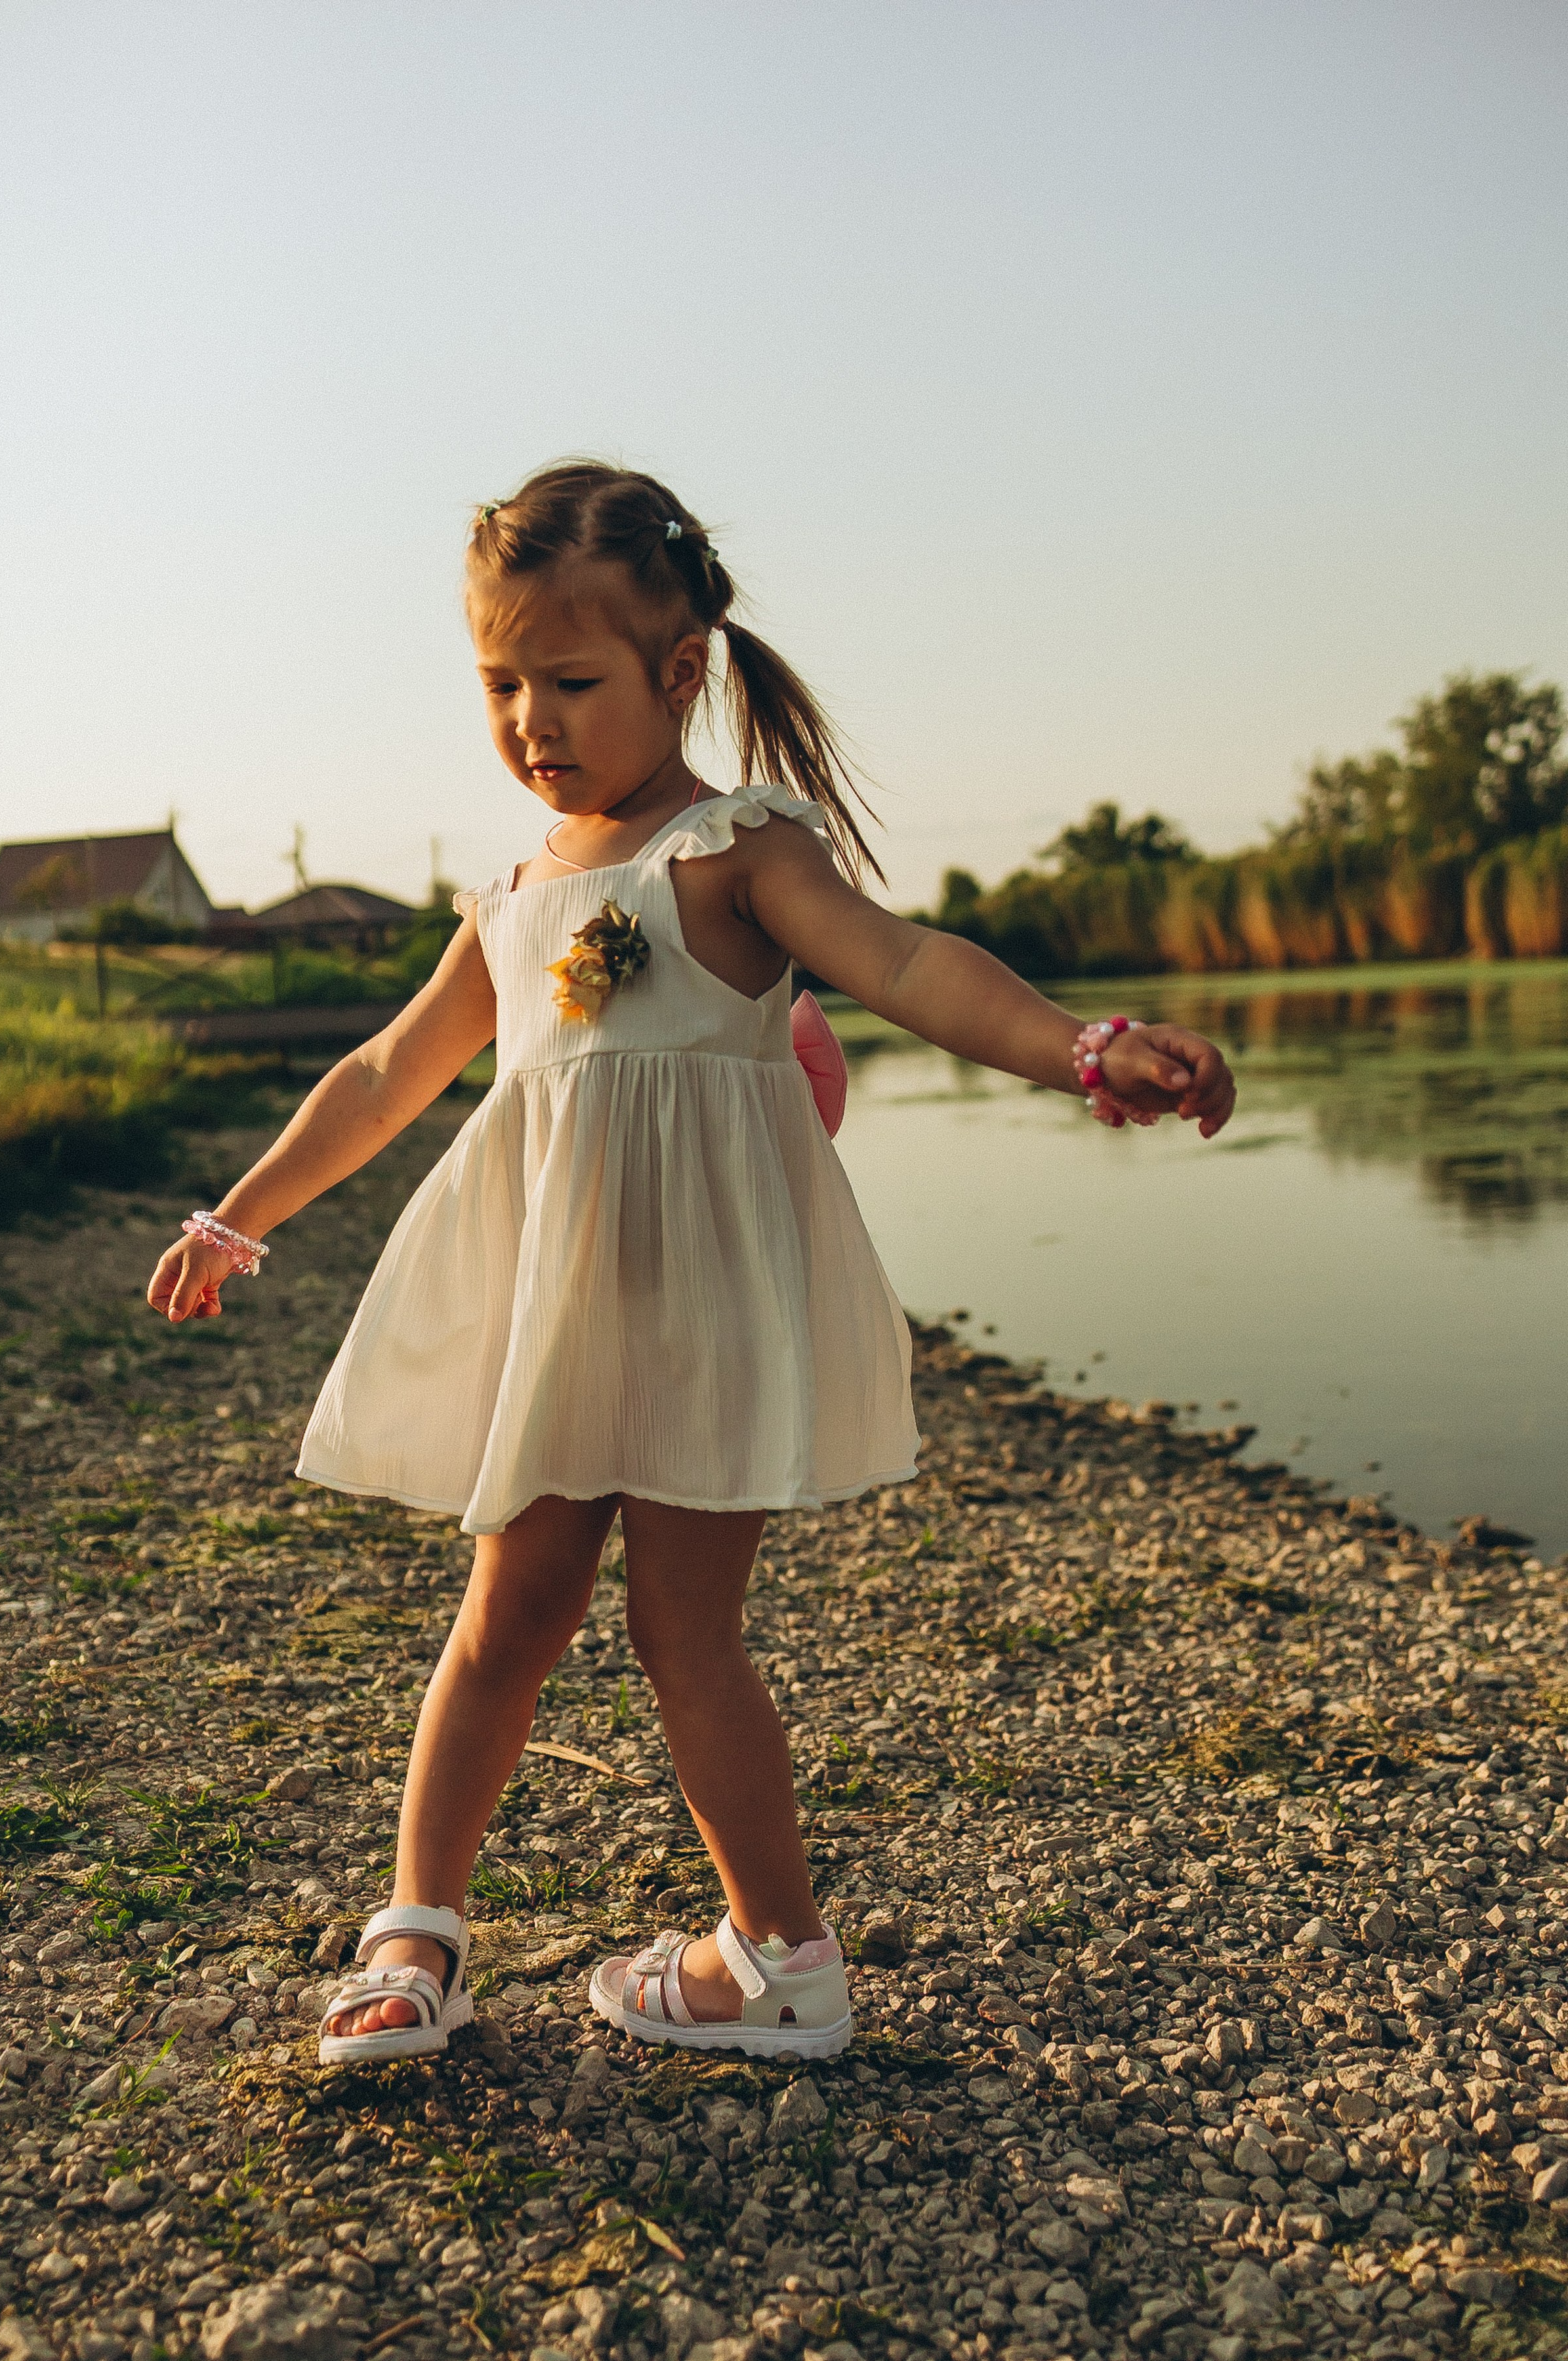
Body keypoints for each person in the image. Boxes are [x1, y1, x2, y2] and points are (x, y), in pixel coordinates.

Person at [146, 461, 1235, 2064]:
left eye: (571, 681)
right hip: (556, 1311)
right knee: (505, 1614)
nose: (533, 719)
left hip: (711, 1310)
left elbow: (910, 965)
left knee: (682, 1632)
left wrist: (1083, 1048)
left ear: (680, 671)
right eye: (500, 683)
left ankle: (781, 1958)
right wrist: (242, 1210)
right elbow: (386, 1072)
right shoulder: (512, 893)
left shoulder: (738, 851)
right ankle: (419, 1935)